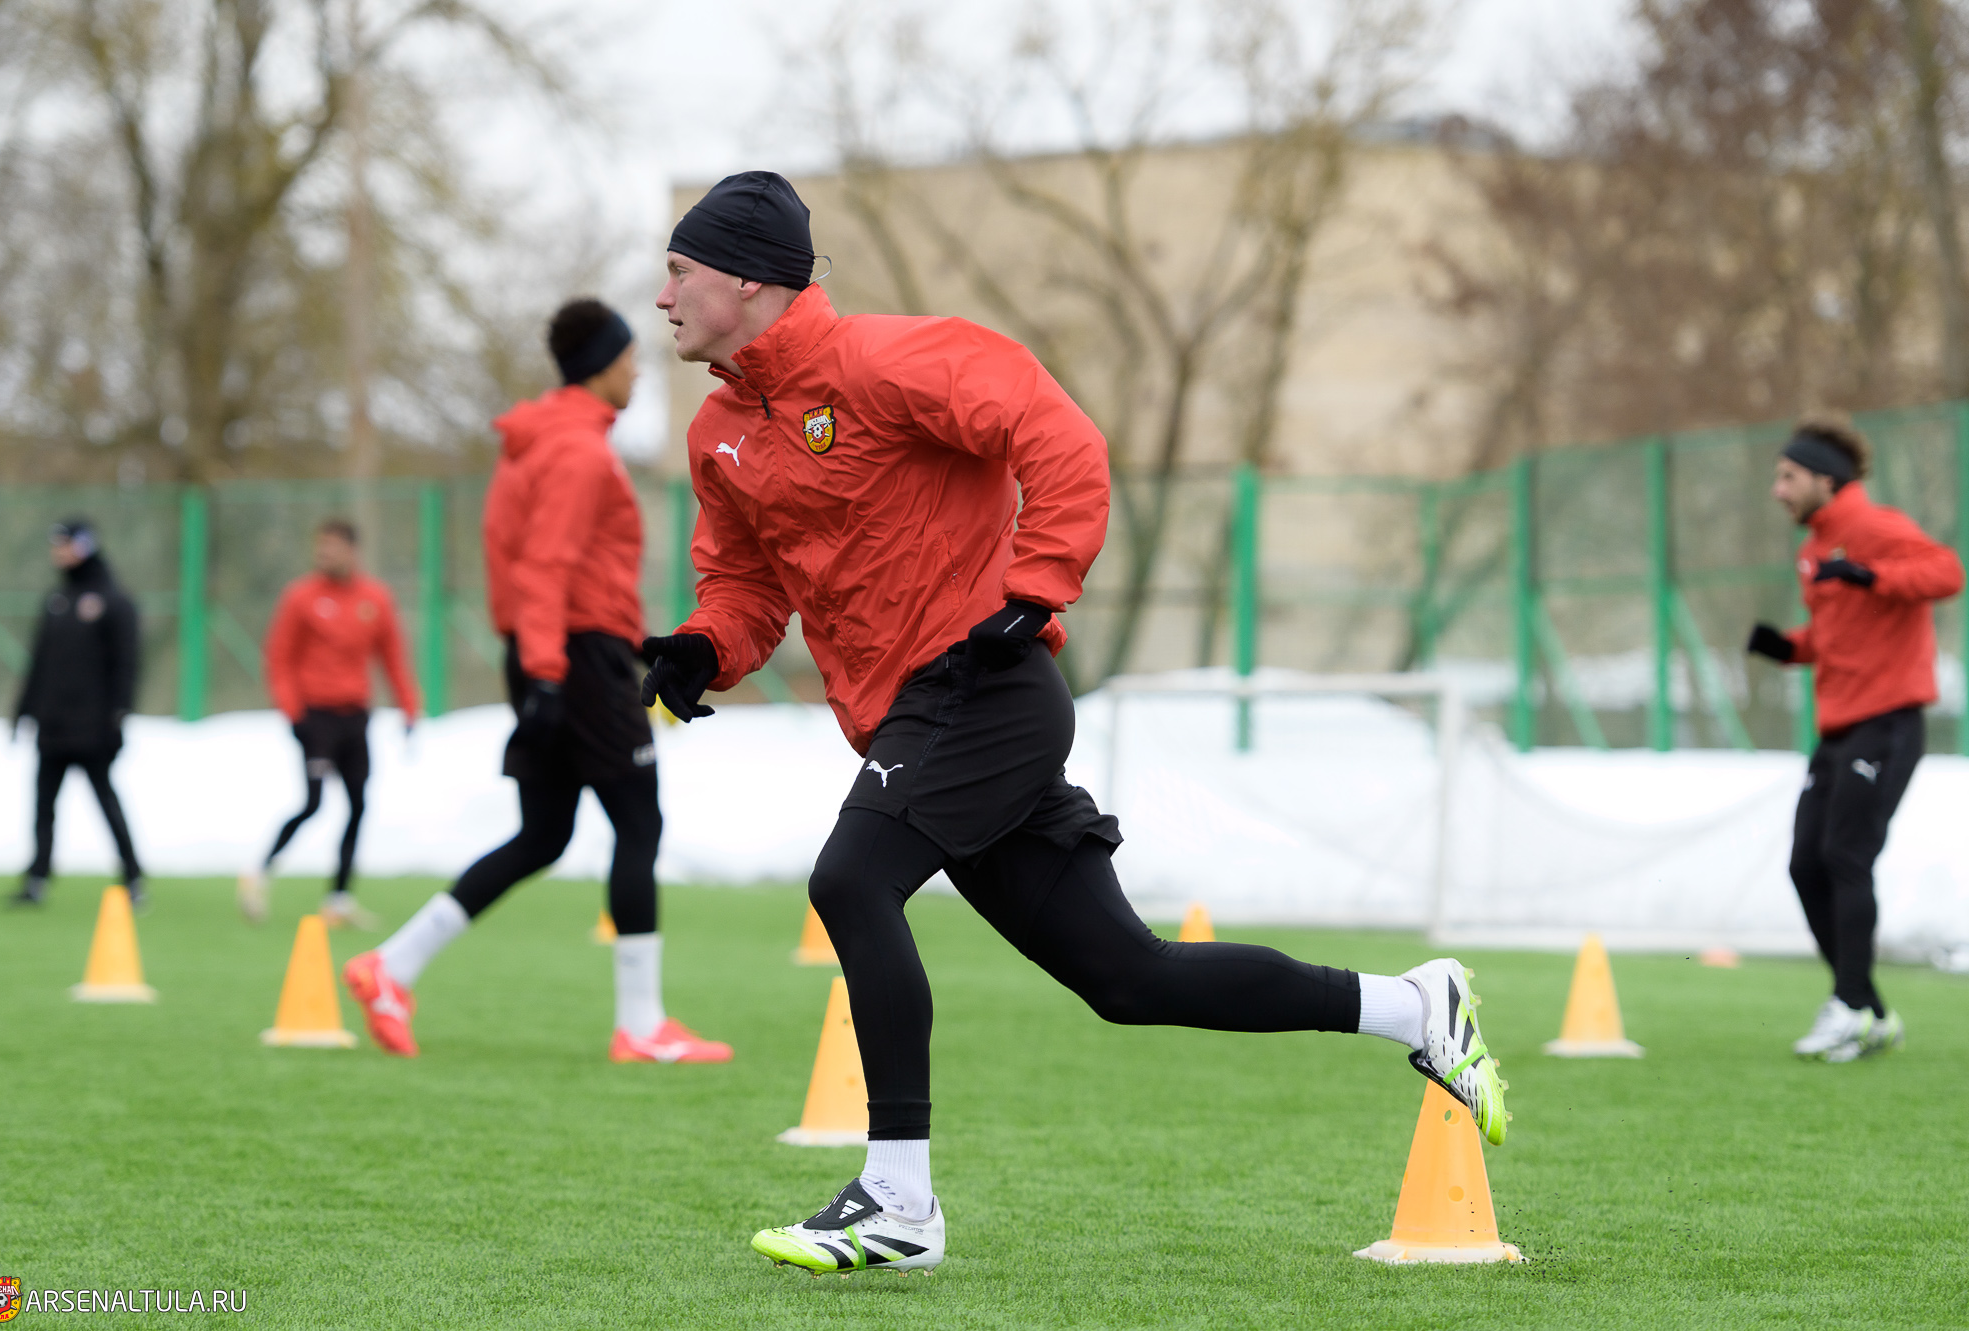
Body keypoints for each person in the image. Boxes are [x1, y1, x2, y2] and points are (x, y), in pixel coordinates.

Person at [644, 171, 1507, 1277]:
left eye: (678, 270)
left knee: (850, 881)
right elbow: (745, 584)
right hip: (918, 720)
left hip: (982, 688)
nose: (662, 296)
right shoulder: (718, 431)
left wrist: (1036, 581)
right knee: (1130, 979)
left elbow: (1054, 433)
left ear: (746, 279)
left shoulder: (888, 360)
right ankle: (1413, 1007)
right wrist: (701, 647)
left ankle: (899, 1201)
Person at [342, 298, 731, 1066]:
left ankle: (392, 965)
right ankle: (641, 1025)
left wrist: (554, 660)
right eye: (631, 358)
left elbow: (532, 565)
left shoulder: (542, 442)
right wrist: (555, 673)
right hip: (572, 658)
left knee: (544, 834)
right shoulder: (578, 452)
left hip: (553, 653)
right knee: (639, 822)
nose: (639, 371)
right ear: (602, 364)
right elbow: (545, 566)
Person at [1748, 415, 1963, 1062]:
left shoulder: (1875, 527)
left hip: (1889, 722)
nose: (1777, 490)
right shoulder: (1814, 551)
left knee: (1846, 855)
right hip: (1839, 728)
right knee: (1804, 864)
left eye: (1788, 477)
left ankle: (1850, 1006)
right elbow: (1837, 635)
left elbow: (1947, 572)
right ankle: (1865, 1007)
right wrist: (1788, 647)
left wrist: (1873, 575)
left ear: (1825, 479)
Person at [238, 519, 421, 929]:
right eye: (320, 547)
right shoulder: (301, 597)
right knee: (314, 803)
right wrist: (292, 713)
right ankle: (258, 873)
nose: (325, 554)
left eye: (333, 547)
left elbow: (393, 658)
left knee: (358, 804)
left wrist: (409, 708)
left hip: (355, 717)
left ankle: (338, 899)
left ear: (352, 551)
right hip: (315, 717)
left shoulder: (374, 598)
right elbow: (279, 657)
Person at [9, 518, 146, 909]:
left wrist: (118, 716)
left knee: (105, 801)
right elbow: (39, 664)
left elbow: (126, 666)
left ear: (85, 546)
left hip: (92, 728)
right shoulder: (56, 600)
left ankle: (132, 876)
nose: (59, 553)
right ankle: (37, 877)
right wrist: (23, 711)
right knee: (43, 805)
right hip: (53, 725)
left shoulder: (113, 600)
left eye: (65, 544)